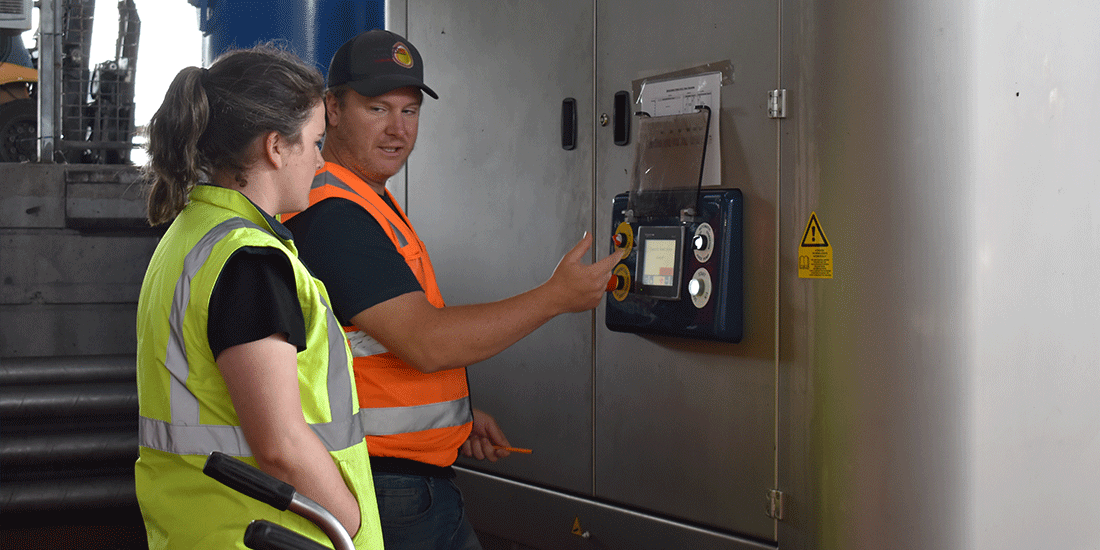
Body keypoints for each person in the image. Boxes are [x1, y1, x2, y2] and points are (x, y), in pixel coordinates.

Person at [282, 30, 621, 550]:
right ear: (332, 109)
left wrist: (458, 416)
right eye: (377, 109)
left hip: (405, 475)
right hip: (383, 484)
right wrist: (556, 297)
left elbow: (373, 350)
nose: (398, 130)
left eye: (410, 111)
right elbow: (427, 341)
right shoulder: (332, 213)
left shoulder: (366, 200)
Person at [134, 45, 383, 549]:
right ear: (275, 148)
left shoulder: (190, 235)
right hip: (272, 535)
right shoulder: (247, 261)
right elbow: (281, 446)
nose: (320, 159)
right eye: (315, 143)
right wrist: (355, 526)